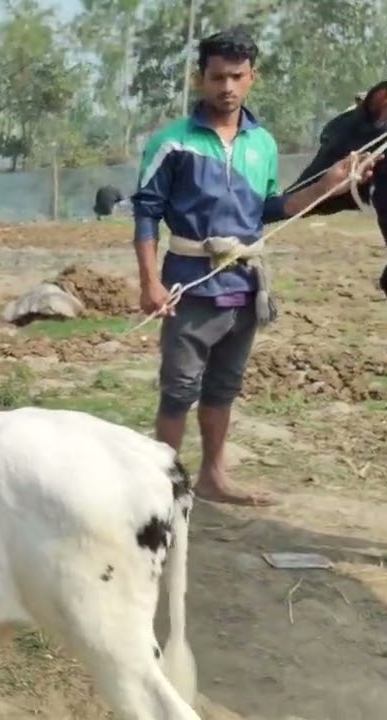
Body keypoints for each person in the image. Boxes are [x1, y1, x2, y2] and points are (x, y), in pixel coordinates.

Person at [130, 27, 363, 507]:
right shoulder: (172, 143)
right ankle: (161, 489)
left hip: (245, 282)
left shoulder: (264, 144)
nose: (227, 87)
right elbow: (147, 212)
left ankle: (214, 477)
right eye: (218, 77)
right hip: (189, 283)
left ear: (252, 78)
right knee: (179, 388)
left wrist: (330, 186)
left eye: (237, 76)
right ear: (201, 80)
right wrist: (150, 281)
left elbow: (273, 208)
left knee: (224, 385)